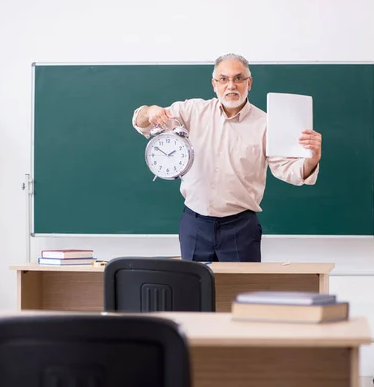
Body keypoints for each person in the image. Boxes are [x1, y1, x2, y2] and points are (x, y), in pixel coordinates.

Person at [131, 53, 321, 262]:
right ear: (214, 84)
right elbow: (142, 123)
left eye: (239, 78)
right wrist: (151, 110)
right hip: (195, 224)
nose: (231, 85)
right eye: (223, 79)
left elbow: (287, 170)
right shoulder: (191, 111)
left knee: (240, 292)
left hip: (240, 228)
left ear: (250, 83)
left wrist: (311, 159)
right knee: (192, 292)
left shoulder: (267, 124)